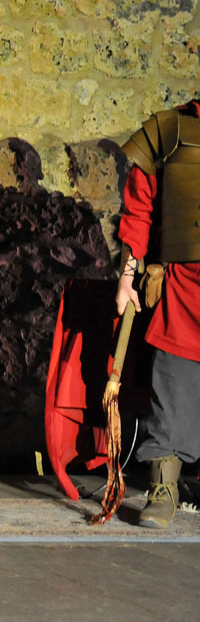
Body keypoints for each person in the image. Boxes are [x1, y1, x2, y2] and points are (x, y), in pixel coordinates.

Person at [116, 98, 200, 528]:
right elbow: (138, 209)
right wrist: (128, 276)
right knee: (172, 386)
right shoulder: (170, 131)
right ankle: (163, 489)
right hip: (184, 288)